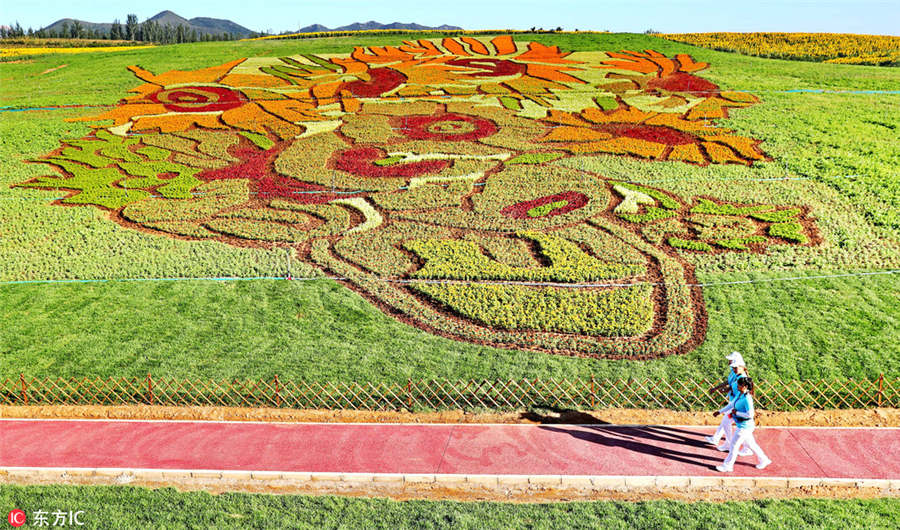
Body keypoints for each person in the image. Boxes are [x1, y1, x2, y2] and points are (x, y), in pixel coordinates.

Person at [714, 377, 772, 472]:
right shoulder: (740, 394)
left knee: (734, 445)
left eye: (739, 385)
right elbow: (732, 404)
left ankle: (728, 465)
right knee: (751, 444)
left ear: (744, 386)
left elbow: (750, 414)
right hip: (743, 426)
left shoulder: (747, 399)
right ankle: (764, 459)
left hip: (744, 427)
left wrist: (736, 413)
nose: (737, 386)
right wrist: (720, 411)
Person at [705, 351, 750, 454]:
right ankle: (719, 439)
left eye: (730, 360)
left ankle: (737, 445)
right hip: (734, 401)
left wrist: (723, 390)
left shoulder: (741, 376)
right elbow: (729, 383)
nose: (729, 361)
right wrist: (717, 388)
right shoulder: (734, 371)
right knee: (729, 422)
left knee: (739, 426)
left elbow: (735, 389)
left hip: (737, 403)